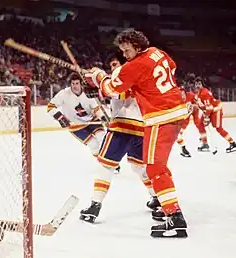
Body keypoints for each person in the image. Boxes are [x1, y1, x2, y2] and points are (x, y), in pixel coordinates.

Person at [84, 29, 188, 238]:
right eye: (121, 52)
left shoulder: (132, 67)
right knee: (146, 167)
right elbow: (171, 69)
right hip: (175, 112)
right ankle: (167, 208)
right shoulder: (157, 52)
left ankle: (175, 216)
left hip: (157, 118)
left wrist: (98, 77)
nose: (124, 55)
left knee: (152, 168)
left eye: (127, 50)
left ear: (137, 45)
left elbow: (114, 89)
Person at [80, 52, 159, 224]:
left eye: (115, 64)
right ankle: (157, 197)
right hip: (140, 127)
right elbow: (111, 93)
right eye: (111, 66)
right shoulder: (136, 74)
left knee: (105, 166)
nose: (113, 68)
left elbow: (119, 91)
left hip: (122, 127)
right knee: (139, 167)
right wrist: (95, 86)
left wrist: (99, 76)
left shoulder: (124, 74)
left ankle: (95, 205)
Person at [47, 72, 107, 158]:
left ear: (81, 83)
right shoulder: (64, 94)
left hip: (92, 120)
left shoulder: (87, 93)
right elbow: (50, 107)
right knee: (93, 145)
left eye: (77, 83)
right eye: (73, 83)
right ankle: (104, 163)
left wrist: (103, 117)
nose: (75, 86)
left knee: (102, 138)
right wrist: (60, 117)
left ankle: (110, 160)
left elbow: (96, 108)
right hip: (75, 125)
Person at [195, 77, 236, 153]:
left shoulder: (204, 93)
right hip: (208, 111)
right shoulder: (198, 93)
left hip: (215, 110)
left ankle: (232, 143)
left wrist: (206, 117)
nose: (197, 85)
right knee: (200, 125)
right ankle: (205, 144)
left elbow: (210, 107)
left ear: (202, 85)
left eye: (199, 84)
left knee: (218, 128)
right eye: (196, 84)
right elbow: (202, 105)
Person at [177, 86, 208, 157]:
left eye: (183, 94)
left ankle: (205, 142)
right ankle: (182, 146)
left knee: (199, 124)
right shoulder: (176, 100)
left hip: (194, 111)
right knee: (181, 129)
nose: (182, 96)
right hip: (186, 114)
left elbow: (198, 103)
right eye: (180, 95)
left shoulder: (190, 95)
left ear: (185, 93)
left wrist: (195, 106)